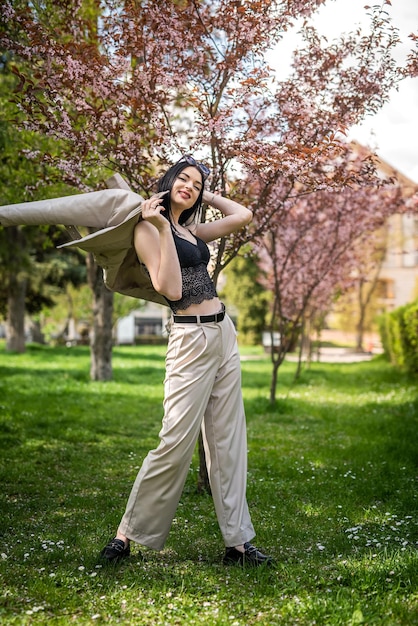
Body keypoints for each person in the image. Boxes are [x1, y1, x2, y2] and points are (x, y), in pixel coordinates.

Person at [99, 155, 273, 567]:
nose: (190, 187)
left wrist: (204, 193)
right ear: (168, 179)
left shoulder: (191, 229)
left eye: (196, 184)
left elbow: (243, 215)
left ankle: (238, 544)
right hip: (191, 339)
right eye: (184, 178)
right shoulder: (146, 228)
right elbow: (171, 287)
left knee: (228, 442)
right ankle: (126, 534)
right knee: (174, 440)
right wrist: (160, 224)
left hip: (222, 333)